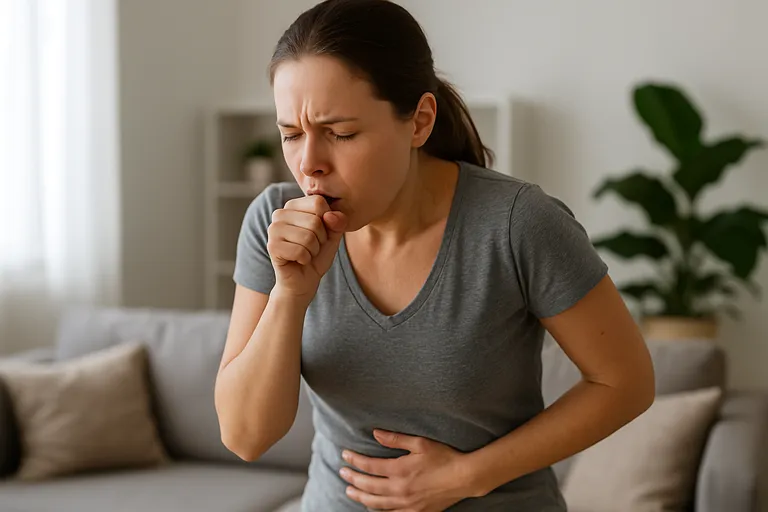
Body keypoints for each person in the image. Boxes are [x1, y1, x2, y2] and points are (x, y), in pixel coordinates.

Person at [214, 1, 655, 510]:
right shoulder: (272, 221)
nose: (309, 164)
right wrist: (291, 293)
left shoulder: (517, 224)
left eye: (341, 133)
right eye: (291, 134)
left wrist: (467, 476)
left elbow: (625, 382)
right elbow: (246, 437)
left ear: (420, 121)